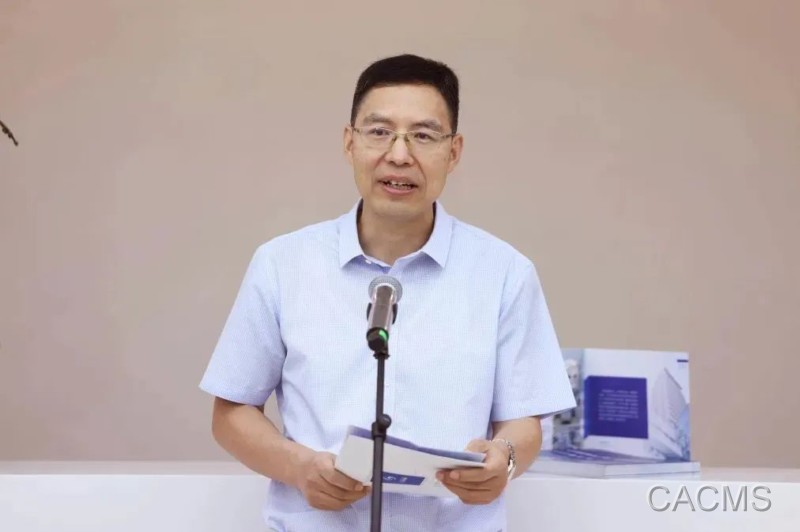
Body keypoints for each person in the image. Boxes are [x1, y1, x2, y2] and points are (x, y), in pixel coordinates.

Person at [199, 54, 575, 531]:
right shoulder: (282, 264)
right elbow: (231, 412)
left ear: (454, 152)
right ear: (349, 142)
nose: (399, 155)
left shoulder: (504, 272)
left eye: (423, 136)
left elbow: (524, 421)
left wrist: (504, 457)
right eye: (379, 132)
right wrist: (298, 467)